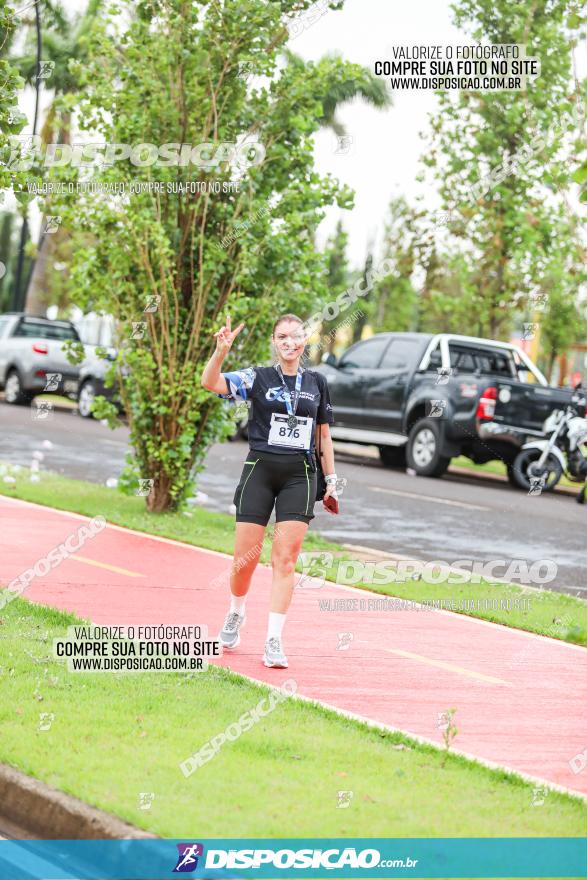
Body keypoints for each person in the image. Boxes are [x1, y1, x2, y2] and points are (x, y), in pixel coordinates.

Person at [201, 313, 338, 668]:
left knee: (285, 560)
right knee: (244, 561)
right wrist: (220, 352)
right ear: (274, 342)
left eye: (295, 336)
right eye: (282, 337)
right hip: (260, 470)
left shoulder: (317, 382)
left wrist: (332, 482)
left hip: (300, 475)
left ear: (304, 341)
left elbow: (324, 436)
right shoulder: (257, 377)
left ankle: (274, 639)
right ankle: (236, 611)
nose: (289, 342)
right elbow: (210, 383)